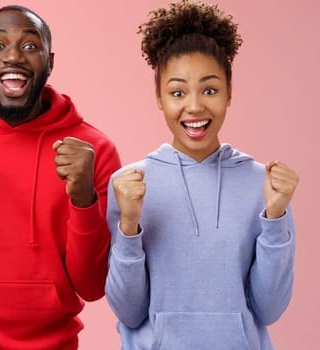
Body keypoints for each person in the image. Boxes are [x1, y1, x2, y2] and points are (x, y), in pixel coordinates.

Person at [105, 1, 298, 349]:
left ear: (229, 94)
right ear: (159, 98)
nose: (194, 106)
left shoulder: (262, 184)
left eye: (209, 90)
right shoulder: (130, 184)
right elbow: (129, 311)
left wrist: (275, 216)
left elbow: (269, 309)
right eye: (178, 92)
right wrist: (129, 226)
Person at [0, 5, 121, 349]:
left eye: (31, 46)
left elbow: (93, 287)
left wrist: (83, 199)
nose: (14, 56)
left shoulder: (93, 149)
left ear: (50, 61)